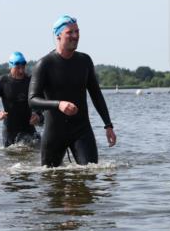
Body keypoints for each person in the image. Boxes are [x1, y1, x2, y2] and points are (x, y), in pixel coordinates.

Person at [29, 15, 117, 167]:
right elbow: (32, 100)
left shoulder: (84, 61)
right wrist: (59, 104)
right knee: (50, 181)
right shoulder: (44, 64)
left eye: (77, 32)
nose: (75, 36)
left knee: (91, 174)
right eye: (70, 32)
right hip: (54, 132)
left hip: (81, 129)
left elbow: (96, 95)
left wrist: (108, 125)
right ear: (58, 35)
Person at [0, 51, 42, 147]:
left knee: (35, 157)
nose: (21, 71)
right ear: (10, 66)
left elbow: (40, 101)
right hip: (10, 131)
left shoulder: (31, 81)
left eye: (23, 67)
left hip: (29, 129)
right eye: (17, 68)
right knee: (11, 158)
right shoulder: (2, 82)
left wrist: (38, 115)